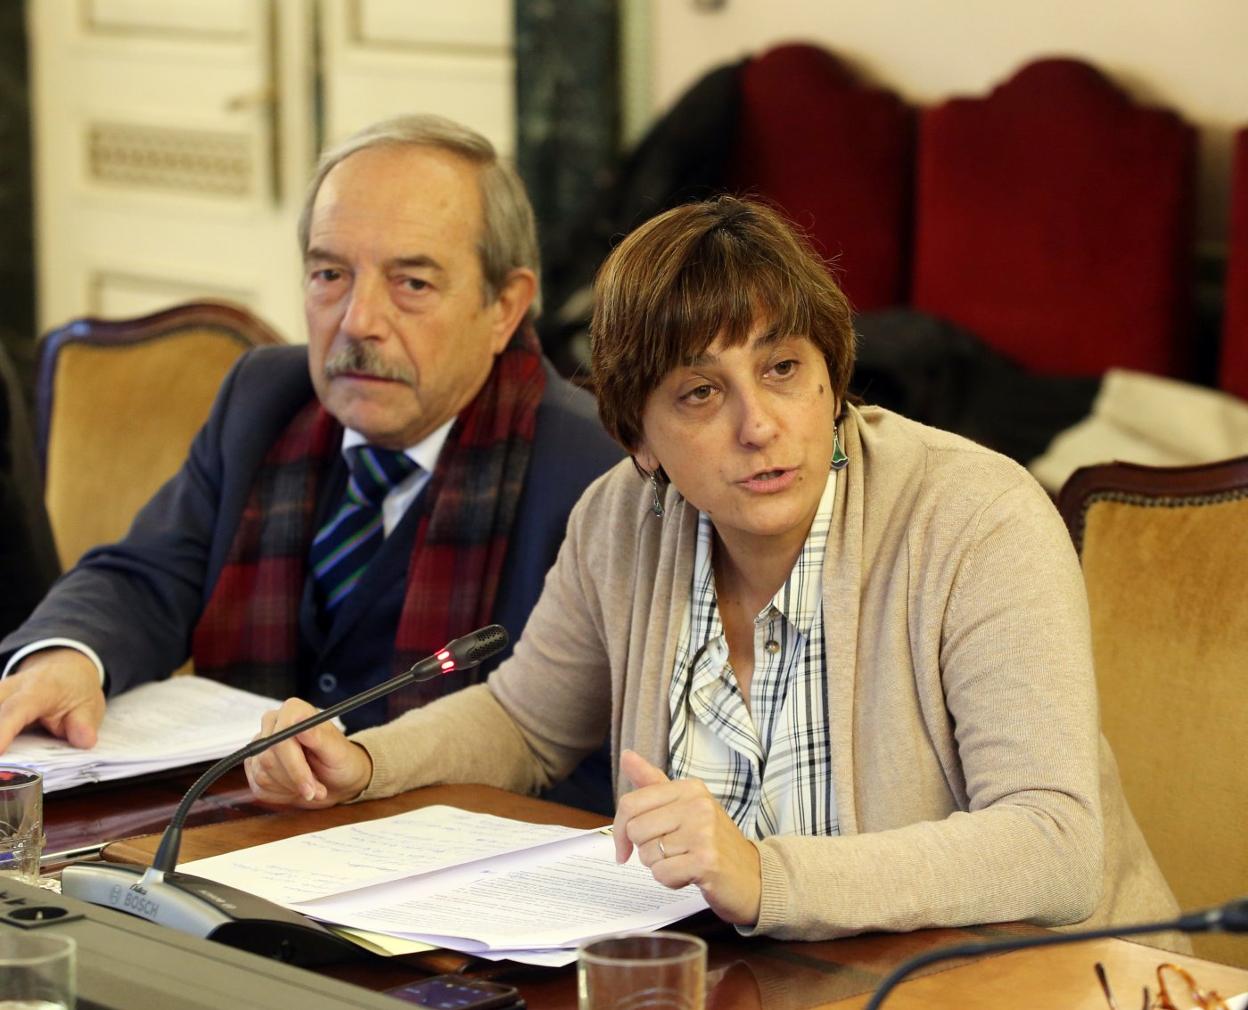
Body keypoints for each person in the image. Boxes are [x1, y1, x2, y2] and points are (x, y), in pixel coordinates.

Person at [242, 196, 1182, 941]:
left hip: (1021, 984)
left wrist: (766, 878)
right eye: (699, 392)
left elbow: (1054, 846)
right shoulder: (622, 515)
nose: (758, 425)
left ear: (831, 374)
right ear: (641, 440)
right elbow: (526, 720)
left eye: (782, 369)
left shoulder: (975, 518)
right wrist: (361, 760)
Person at [0, 115, 620, 808]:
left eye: (412, 284)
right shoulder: (265, 398)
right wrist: (66, 656)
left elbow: (589, 755)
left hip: (446, 866)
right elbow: (143, 576)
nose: (358, 321)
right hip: (240, 827)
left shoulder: (595, 471)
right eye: (330, 274)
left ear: (505, 305)